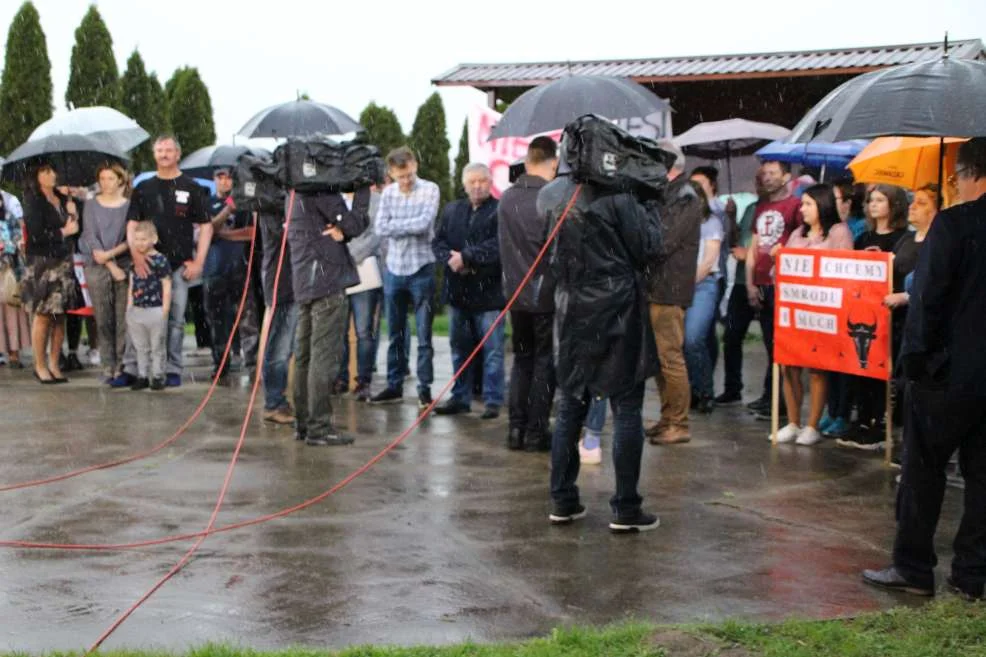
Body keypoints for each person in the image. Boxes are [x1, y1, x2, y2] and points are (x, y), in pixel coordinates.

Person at [862, 137, 986, 602]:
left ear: (970, 174)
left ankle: (914, 567)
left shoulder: (953, 225)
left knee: (922, 471)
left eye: (955, 176)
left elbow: (927, 302)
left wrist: (914, 364)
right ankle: (973, 575)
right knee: (982, 477)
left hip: (948, 372)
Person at [539, 124, 663, 533]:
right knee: (626, 408)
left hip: (572, 309)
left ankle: (563, 499)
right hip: (618, 309)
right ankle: (625, 507)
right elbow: (649, 248)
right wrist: (648, 208)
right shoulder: (619, 195)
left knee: (571, 403)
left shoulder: (550, 195)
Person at [125, 135, 213, 388]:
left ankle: (172, 368)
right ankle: (141, 370)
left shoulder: (191, 187)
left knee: (174, 320)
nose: (164, 154)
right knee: (139, 318)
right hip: (147, 266)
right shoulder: (143, 188)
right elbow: (131, 224)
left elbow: (206, 226)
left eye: (169, 150)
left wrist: (199, 261)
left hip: (179, 265)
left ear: (177, 154)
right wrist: (136, 255)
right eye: (159, 150)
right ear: (154, 155)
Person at [287, 184, 370, 446]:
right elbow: (355, 224)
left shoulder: (295, 193)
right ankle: (319, 427)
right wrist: (362, 190)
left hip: (304, 281)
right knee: (322, 357)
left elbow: (342, 231)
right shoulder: (321, 191)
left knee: (304, 357)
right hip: (326, 282)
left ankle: (303, 423)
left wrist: (341, 234)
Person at [772, 184, 853, 445]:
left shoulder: (839, 232)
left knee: (817, 369)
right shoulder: (798, 232)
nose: (802, 209)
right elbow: (783, 271)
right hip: (795, 310)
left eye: (808, 204)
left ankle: (812, 425)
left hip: (822, 312)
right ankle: (794, 421)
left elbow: (845, 270)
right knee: (788, 365)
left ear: (822, 204)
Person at [498, 136, 559, 451]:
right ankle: (536, 431)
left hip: (516, 294)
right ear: (551, 162)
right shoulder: (550, 198)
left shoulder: (507, 198)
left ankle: (515, 429)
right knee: (544, 362)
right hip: (545, 294)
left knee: (522, 360)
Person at [839, 184, 909, 450]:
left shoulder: (902, 238)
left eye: (881, 200)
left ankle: (879, 422)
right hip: (863, 310)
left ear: (895, 204)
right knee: (861, 366)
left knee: (881, 368)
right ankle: (863, 417)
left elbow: (902, 272)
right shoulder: (864, 237)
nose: (874, 205)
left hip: (889, 314)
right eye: (871, 200)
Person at [432, 163, 505, 419]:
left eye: (482, 181)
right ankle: (460, 397)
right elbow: (438, 242)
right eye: (472, 181)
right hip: (458, 291)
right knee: (459, 347)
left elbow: (498, 245)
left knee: (493, 350)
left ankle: (493, 399)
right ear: (464, 184)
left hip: (489, 293)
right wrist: (452, 260)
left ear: (490, 182)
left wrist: (467, 257)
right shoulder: (453, 210)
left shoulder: (500, 210)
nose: (477, 186)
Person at [370, 147, 440, 409]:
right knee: (395, 333)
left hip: (421, 268)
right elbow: (379, 228)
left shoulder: (430, 189)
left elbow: (424, 225)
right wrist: (407, 226)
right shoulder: (387, 194)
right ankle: (394, 384)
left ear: (415, 165)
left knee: (423, 335)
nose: (406, 180)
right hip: (394, 269)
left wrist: (396, 227)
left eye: (409, 174)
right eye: (401, 176)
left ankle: (424, 389)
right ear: (391, 173)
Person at [644, 140, 701, 445]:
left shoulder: (685, 196)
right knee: (660, 358)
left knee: (670, 357)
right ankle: (669, 417)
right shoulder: (671, 194)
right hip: (658, 287)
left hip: (669, 288)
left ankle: (679, 423)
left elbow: (663, 241)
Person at [744, 160, 802, 420]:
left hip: (782, 283)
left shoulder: (795, 207)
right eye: (764, 173)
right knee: (770, 344)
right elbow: (754, 247)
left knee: (781, 344)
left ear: (787, 177)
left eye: (773, 173)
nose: (767, 178)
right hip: (761, 282)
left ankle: (778, 401)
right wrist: (750, 282)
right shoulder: (761, 207)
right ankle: (770, 396)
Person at [21, 164, 79, 384]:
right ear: (36, 176)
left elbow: (75, 232)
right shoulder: (33, 201)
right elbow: (36, 235)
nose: (51, 175)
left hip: (63, 262)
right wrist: (63, 231)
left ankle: (55, 363)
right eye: (44, 171)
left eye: (53, 171)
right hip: (43, 264)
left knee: (60, 315)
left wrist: (74, 214)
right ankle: (40, 365)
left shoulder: (63, 200)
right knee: (43, 315)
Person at [80, 163, 131, 383]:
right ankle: (107, 363)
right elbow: (89, 234)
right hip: (97, 264)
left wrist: (111, 256)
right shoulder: (91, 205)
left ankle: (122, 364)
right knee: (102, 317)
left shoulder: (129, 206)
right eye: (102, 178)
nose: (105, 183)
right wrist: (108, 262)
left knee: (123, 318)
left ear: (120, 180)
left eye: (110, 178)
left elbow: (131, 237)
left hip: (123, 263)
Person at [717, 169, 764, 405]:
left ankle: (770, 395)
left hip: (765, 280)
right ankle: (732, 387)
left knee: (771, 341)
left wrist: (751, 254)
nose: (760, 182)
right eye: (757, 178)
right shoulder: (751, 209)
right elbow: (736, 240)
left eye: (766, 177)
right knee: (732, 336)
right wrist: (731, 217)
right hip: (740, 281)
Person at [336, 184, 384, 401]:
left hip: (364, 270)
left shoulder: (374, 199)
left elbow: (377, 234)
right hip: (337, 274)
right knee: (340, 330)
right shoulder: (333, 199)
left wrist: (352, 256)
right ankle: (340, 378)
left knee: (364, 330)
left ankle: (363, 380)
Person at [203, 168, 251, 383]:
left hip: (240, 268)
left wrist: (226, 234)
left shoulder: (246, 203)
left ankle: (249, 361)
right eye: (220, 177)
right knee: (217, 320)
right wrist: (226, 212)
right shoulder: (206, 203)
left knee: (246, 319)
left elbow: (250, 233)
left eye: (229, 177)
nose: (224, 181)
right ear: (214, 180)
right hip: (214, 269)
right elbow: (208, 231)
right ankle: (221, 363)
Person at [683, 183, 723, 416]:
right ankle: (694, 391)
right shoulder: (681, 222)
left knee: (694, 338)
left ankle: (705, 391)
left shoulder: (711, 223)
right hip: (683, 285)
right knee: (686, 342)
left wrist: (686, 283)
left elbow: (709, 261)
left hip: (704, 285)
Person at [256, 198, 296, 425]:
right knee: (280, 348)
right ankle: (274, 402)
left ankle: (280, 401)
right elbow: (285, 236)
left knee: (289, 348)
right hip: (283, 285)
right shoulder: (271, 202)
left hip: (299, 282)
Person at [126, 221, 171, 391]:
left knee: (157, 345)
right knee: (140, 346)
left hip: (155, 308)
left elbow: (166, 283)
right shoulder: (135, 261)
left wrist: (164, 309)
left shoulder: (160, 260)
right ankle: (142, 375)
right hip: (137, 309)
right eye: (136, 239)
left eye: (143, 239)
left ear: (154, 239)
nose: (139, 243)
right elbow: (132, 284)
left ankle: (158, 375)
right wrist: (129, 308)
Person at [0, 192, 30, 369]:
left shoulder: (10, 216)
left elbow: (20, 237)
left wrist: (7, 246)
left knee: (12, 313)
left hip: (9, 270)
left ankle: (14, 353)